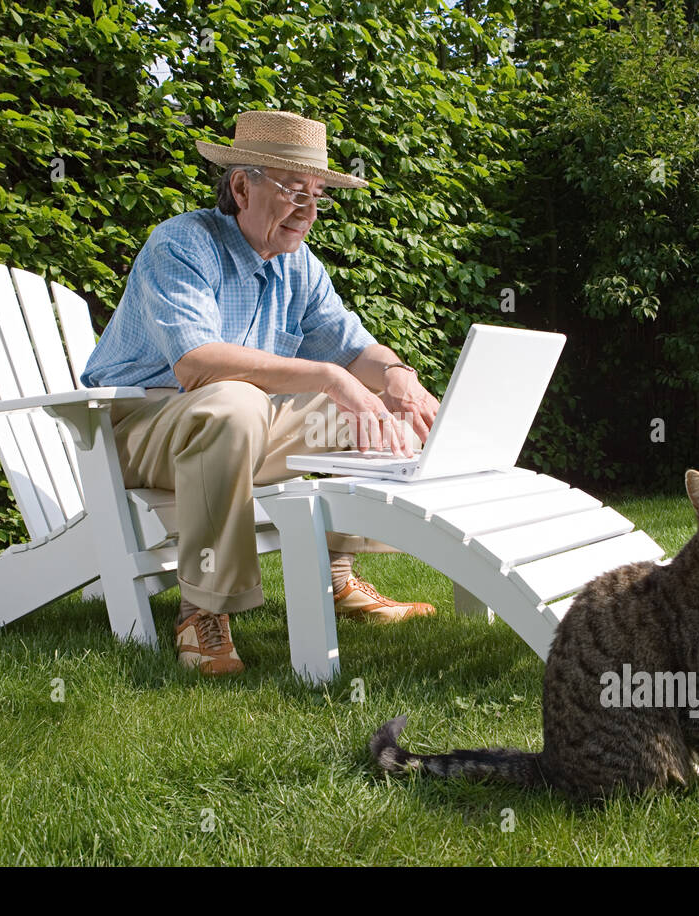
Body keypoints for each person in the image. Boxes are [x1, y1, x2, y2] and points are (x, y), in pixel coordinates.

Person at [80, 110, 441, 676]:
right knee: (236, 399)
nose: (310, 210)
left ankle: (338, 576)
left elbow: (352, 348)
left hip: (240, 431)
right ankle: (204, 610)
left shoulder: (300, 266)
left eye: (318, 194)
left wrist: (399, 378)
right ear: (242, 186)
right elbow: (198, 364)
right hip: (137, 435)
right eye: (295, 190)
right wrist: (327, 377)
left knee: (364, 411)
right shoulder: (181, 243)